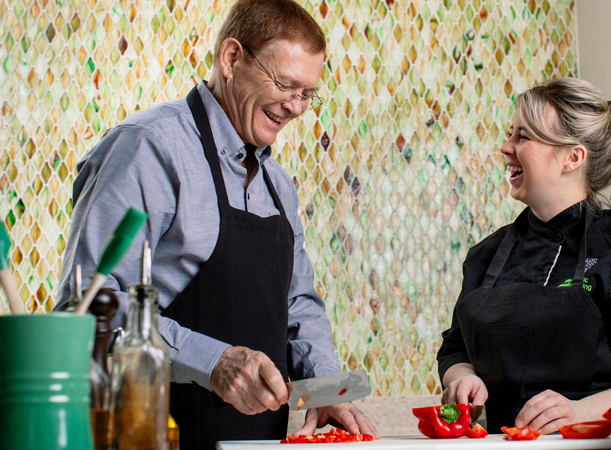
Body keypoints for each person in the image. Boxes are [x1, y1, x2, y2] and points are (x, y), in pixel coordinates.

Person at [54, 0, 378, 447]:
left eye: (307, 94)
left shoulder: (278, 184)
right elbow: (88, 306)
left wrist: (325, 387)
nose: (297, 108)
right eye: (286, 84)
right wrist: (212, 360)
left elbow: (298, 302)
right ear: (231, 59)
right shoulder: (150, 148)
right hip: (151, 434)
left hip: (257, 441)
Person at [436, 77, 611, 435]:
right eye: (510, 133)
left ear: (572, 157)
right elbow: (454, 347)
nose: (505, 147)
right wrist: (464, 379)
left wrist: (581, 412)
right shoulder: (485, 256)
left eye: (522, 137)